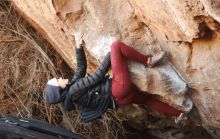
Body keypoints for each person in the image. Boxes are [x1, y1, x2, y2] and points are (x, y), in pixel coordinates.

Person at [44, 34, 185, 123]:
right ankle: (148, 61)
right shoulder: (74, 90)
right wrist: (110, 56)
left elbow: (81, 68)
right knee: (116, 46)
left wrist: (78, 47)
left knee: (147, 101)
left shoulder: (72, 90)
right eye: (57, 80)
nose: (60, 77)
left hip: (119, 100)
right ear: (60, 89)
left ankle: (178, 114)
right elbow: (97, 77)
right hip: (118, 89)